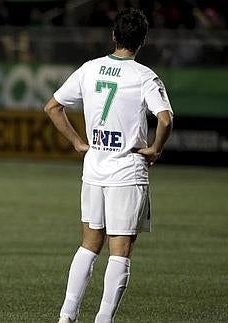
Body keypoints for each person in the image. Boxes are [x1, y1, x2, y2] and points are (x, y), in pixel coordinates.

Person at [43, 8, 173, 323]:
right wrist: (155, 148)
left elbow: (53, 106)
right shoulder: (144, 76)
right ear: (142, 42)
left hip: (94, 169)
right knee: (121, 251)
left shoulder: (90, 69)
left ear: (113, 36)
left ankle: (67, 315)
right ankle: (103, 319)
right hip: (127, 172)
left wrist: (77, 143)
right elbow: (165, 118)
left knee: (88, 246)